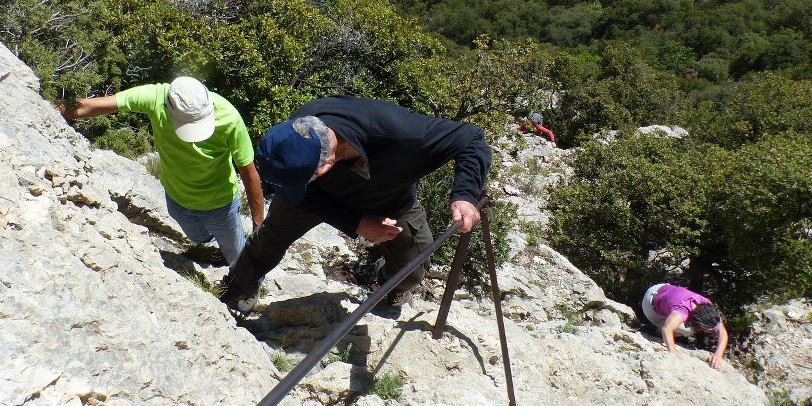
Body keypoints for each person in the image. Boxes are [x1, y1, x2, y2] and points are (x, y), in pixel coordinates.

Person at [218, 96, 492, 316]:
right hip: (315, 195)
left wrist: (465, 195)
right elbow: (298, 195)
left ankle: (385, 283)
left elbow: (471, 139)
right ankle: (235, 290)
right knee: (267, 241)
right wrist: (357, 223)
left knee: (411, 270)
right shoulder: (296, 136)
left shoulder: (401, 133)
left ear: (324, 167)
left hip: (390, 200)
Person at [55, 77, 264, 266]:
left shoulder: (229, 118)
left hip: (220, 205)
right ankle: (212, 246)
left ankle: (249, 289)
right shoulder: (156, 98)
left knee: (238, 256)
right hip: (177, 200)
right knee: (198, 237)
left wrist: (258, 226)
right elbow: (95, 105)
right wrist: (52, 110)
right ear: (169, 107)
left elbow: (249, 172)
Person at [642, 282, 729, 370]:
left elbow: (722, 330)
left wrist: (718, 354)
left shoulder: (706, 304)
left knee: (685, 326)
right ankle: (656, 330)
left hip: (663, 288)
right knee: (688, 330)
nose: (710, 332)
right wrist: (673, 350)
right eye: (707, 330)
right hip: (650, 302)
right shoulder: (682, 311)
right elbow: (666, 329)